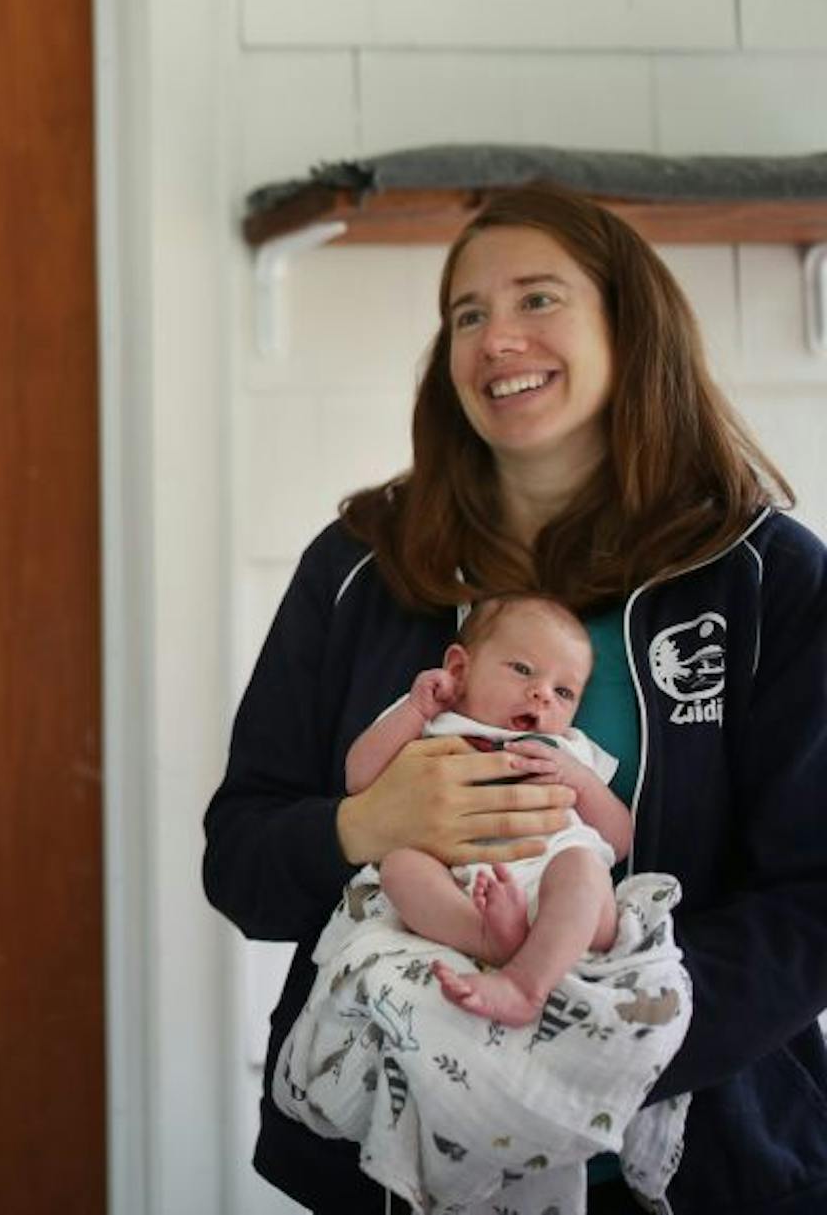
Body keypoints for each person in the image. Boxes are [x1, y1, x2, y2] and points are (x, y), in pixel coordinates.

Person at [204, 184, 827, 1213]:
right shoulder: (358, 567)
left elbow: (809, 900)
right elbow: (239, 863)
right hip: (398, 1167)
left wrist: (596, 1045)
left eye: (538, 298)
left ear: (629, 326)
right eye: (467, 314)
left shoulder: (767, 579)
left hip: (705, 1164)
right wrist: (367, 824)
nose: (497, 338)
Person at [344, 594, 631, 1026]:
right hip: (459, 893)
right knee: (400, 867)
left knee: (584, 867)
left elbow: (619, 840)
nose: (542, 694)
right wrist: (415, 709)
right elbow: (358, 778)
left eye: (564, 692)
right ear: (460, 669)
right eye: (523, 669)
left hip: (554, 890)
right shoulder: (430, 721)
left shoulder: (570, 749)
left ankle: (526, 984)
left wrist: (580, 779)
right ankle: (487, 940)